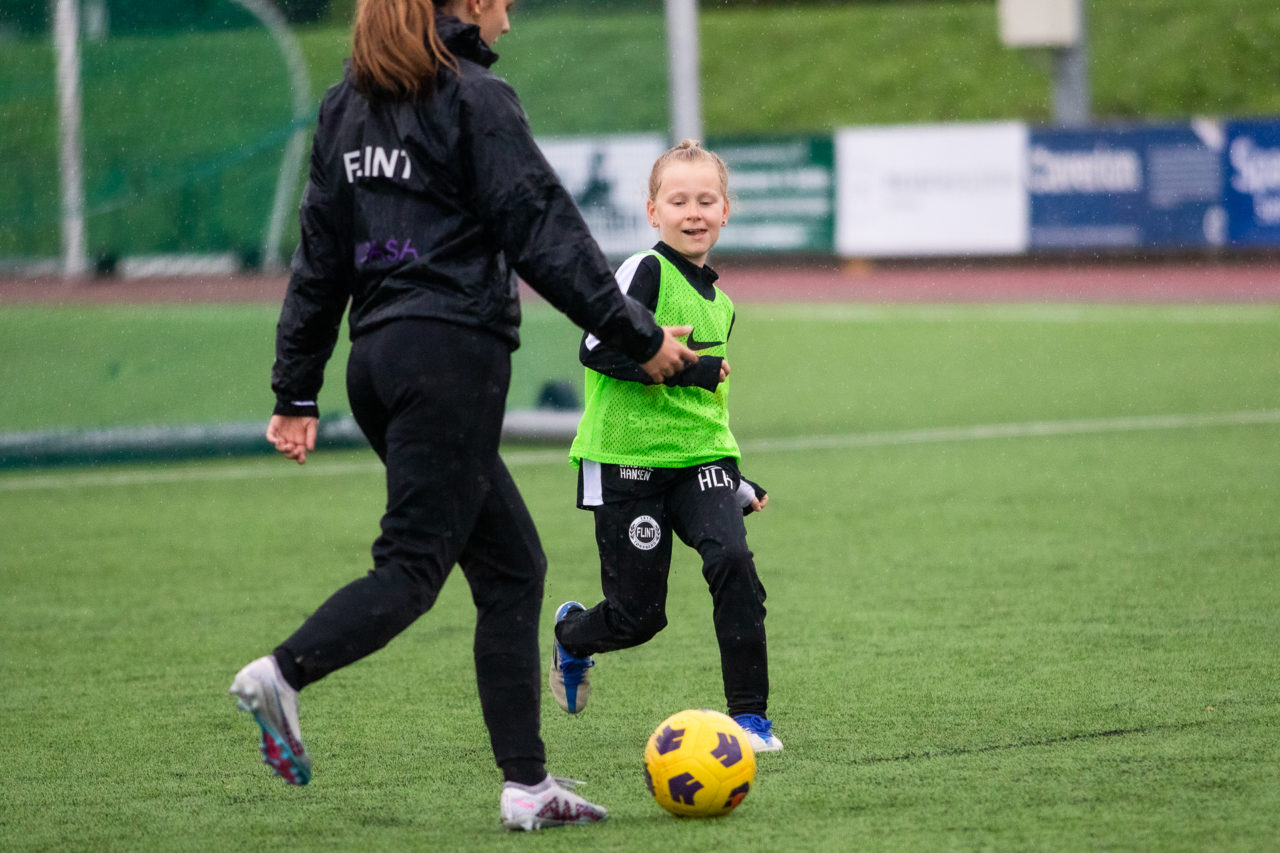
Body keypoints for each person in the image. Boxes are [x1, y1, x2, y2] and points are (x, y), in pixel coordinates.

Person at [226, 0, 697, 832]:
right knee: (411, 568)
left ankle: (528, 785)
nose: (509, 12)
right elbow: (544, 233)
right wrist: (639, 335)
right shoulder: (475, 99)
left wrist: (296, 389)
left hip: (379, 365)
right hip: (450, 358)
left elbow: (318, 256)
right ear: (468, 3)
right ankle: (282, 674)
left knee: (512, 564)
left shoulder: (348, 105)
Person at [548, 140, 783, 753]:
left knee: (732, 560)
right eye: (678, 200)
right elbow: (596, 350)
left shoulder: (722, 303)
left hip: (699, 462)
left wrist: (736, 477)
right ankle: (573, 636)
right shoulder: (643, 271)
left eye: (706, 200)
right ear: (653, 212)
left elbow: (706, 406)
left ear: (725, 211)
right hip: (626, 462)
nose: (693, 211)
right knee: (637, 619)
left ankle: (751, 719)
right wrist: (679, 364)